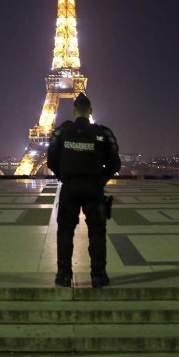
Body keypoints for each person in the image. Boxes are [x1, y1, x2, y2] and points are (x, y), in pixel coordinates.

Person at [47, 92, 121, 288]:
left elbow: (51, 159)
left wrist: (63, 176)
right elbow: (115, 162)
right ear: (91, 111)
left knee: (65, 230)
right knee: (97, 232)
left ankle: (63, 274)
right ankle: (98, 275)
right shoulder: (102, 133)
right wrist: (101, 180)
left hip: (70, 187)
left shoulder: (63, 131)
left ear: (74, 110)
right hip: (93, 187)